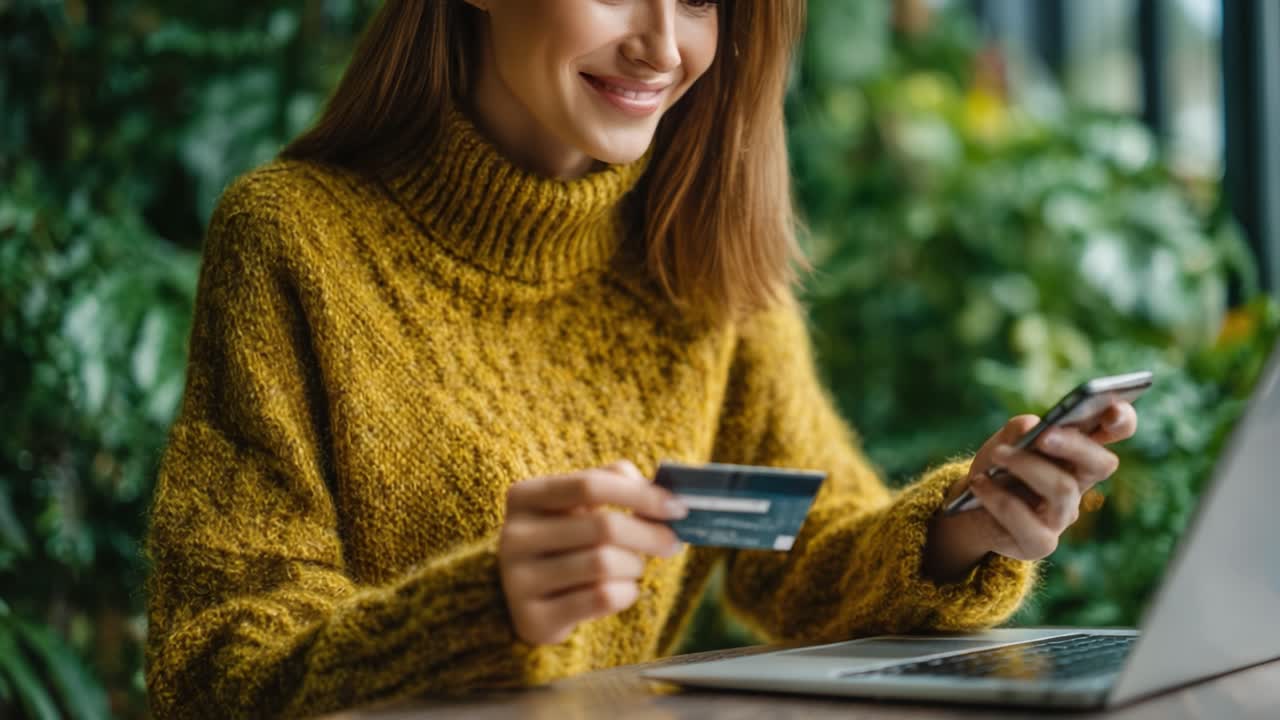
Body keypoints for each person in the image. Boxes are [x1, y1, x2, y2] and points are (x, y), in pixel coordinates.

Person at [143, 1, 1138, 718]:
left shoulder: (697, 240)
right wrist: (476, 611)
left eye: (701, 1)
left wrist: (967, 527)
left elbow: (808, 553)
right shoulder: (294, 239)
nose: (663, 45)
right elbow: (215, 668)